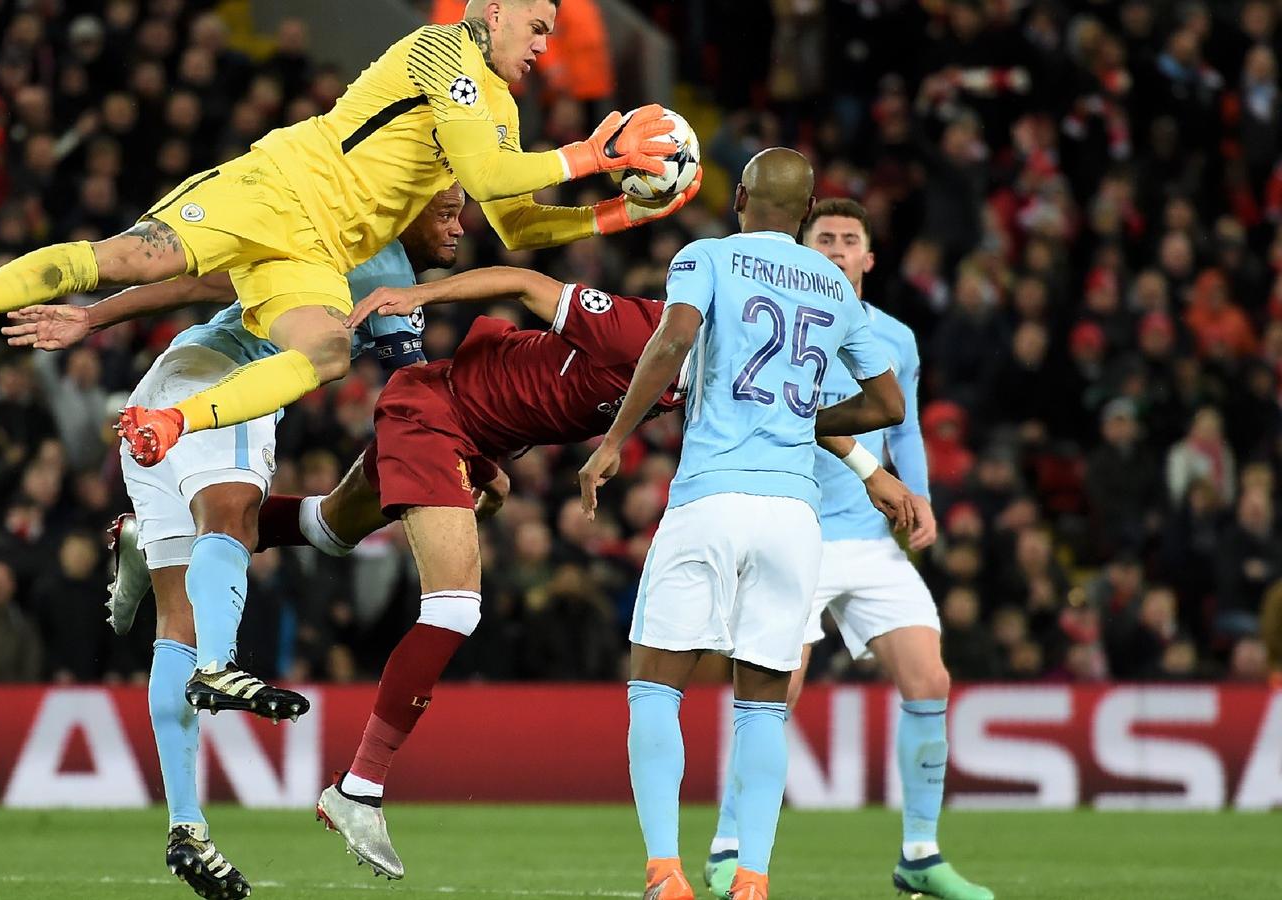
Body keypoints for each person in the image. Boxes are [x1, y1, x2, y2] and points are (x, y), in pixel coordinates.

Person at [247, 257, 914, 881]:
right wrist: (420, 295)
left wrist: (871, 472)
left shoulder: (716, 369)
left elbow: (793, 411)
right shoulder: (645, 327)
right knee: (455, 606)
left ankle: (184, 531)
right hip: (434, 415)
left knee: (328, 530)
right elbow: (526, 282)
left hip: (473, 434)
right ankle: (358, 788)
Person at [0, 0, 695, 449]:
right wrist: (591, 155)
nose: (546, 46)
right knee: (130, 259)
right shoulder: (441, 52)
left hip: (319, 249)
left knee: (328, 350)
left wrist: (617, 208)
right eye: (538, 27)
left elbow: (514, 221)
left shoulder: (503, 108)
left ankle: (167, 422)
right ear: (493, 10)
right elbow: (489, 176)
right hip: (275, 189)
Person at [1, 187, 467, 899]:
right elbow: (198, 279)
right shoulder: (356, 253)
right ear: (405, 213)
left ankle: (187, 828)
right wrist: (89, 318)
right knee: (236, 522)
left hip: (157, 397)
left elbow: (406, 391)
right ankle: (222, 664)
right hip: (224, 384)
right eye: (446, 212)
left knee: (175, 626)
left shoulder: (389, 275)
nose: (459, 227)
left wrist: (91, 321)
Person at [578, 149, 906, 900]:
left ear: (743, 199)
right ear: (809, 207)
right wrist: (798, 418)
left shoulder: (707, 257)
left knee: (656, 685)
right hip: (794, 513)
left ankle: (666, 872)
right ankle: (752, 877)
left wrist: (615, 440)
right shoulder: (833, 284)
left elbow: (672, 340)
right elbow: (888, 404)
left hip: (710, 499)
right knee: (762, 700)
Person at [700, 199, 994, 900]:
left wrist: (917, 497)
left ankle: (919, 855)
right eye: (823, 237)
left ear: (869, 257)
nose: (835, 248)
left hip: (867, 540)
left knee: (930, 681)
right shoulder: (774, 323)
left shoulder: (896, 339)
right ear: (803, 251)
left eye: (848, 240)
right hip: (793, 527)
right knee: (778, 690)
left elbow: (908, 430)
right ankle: (729, 844)